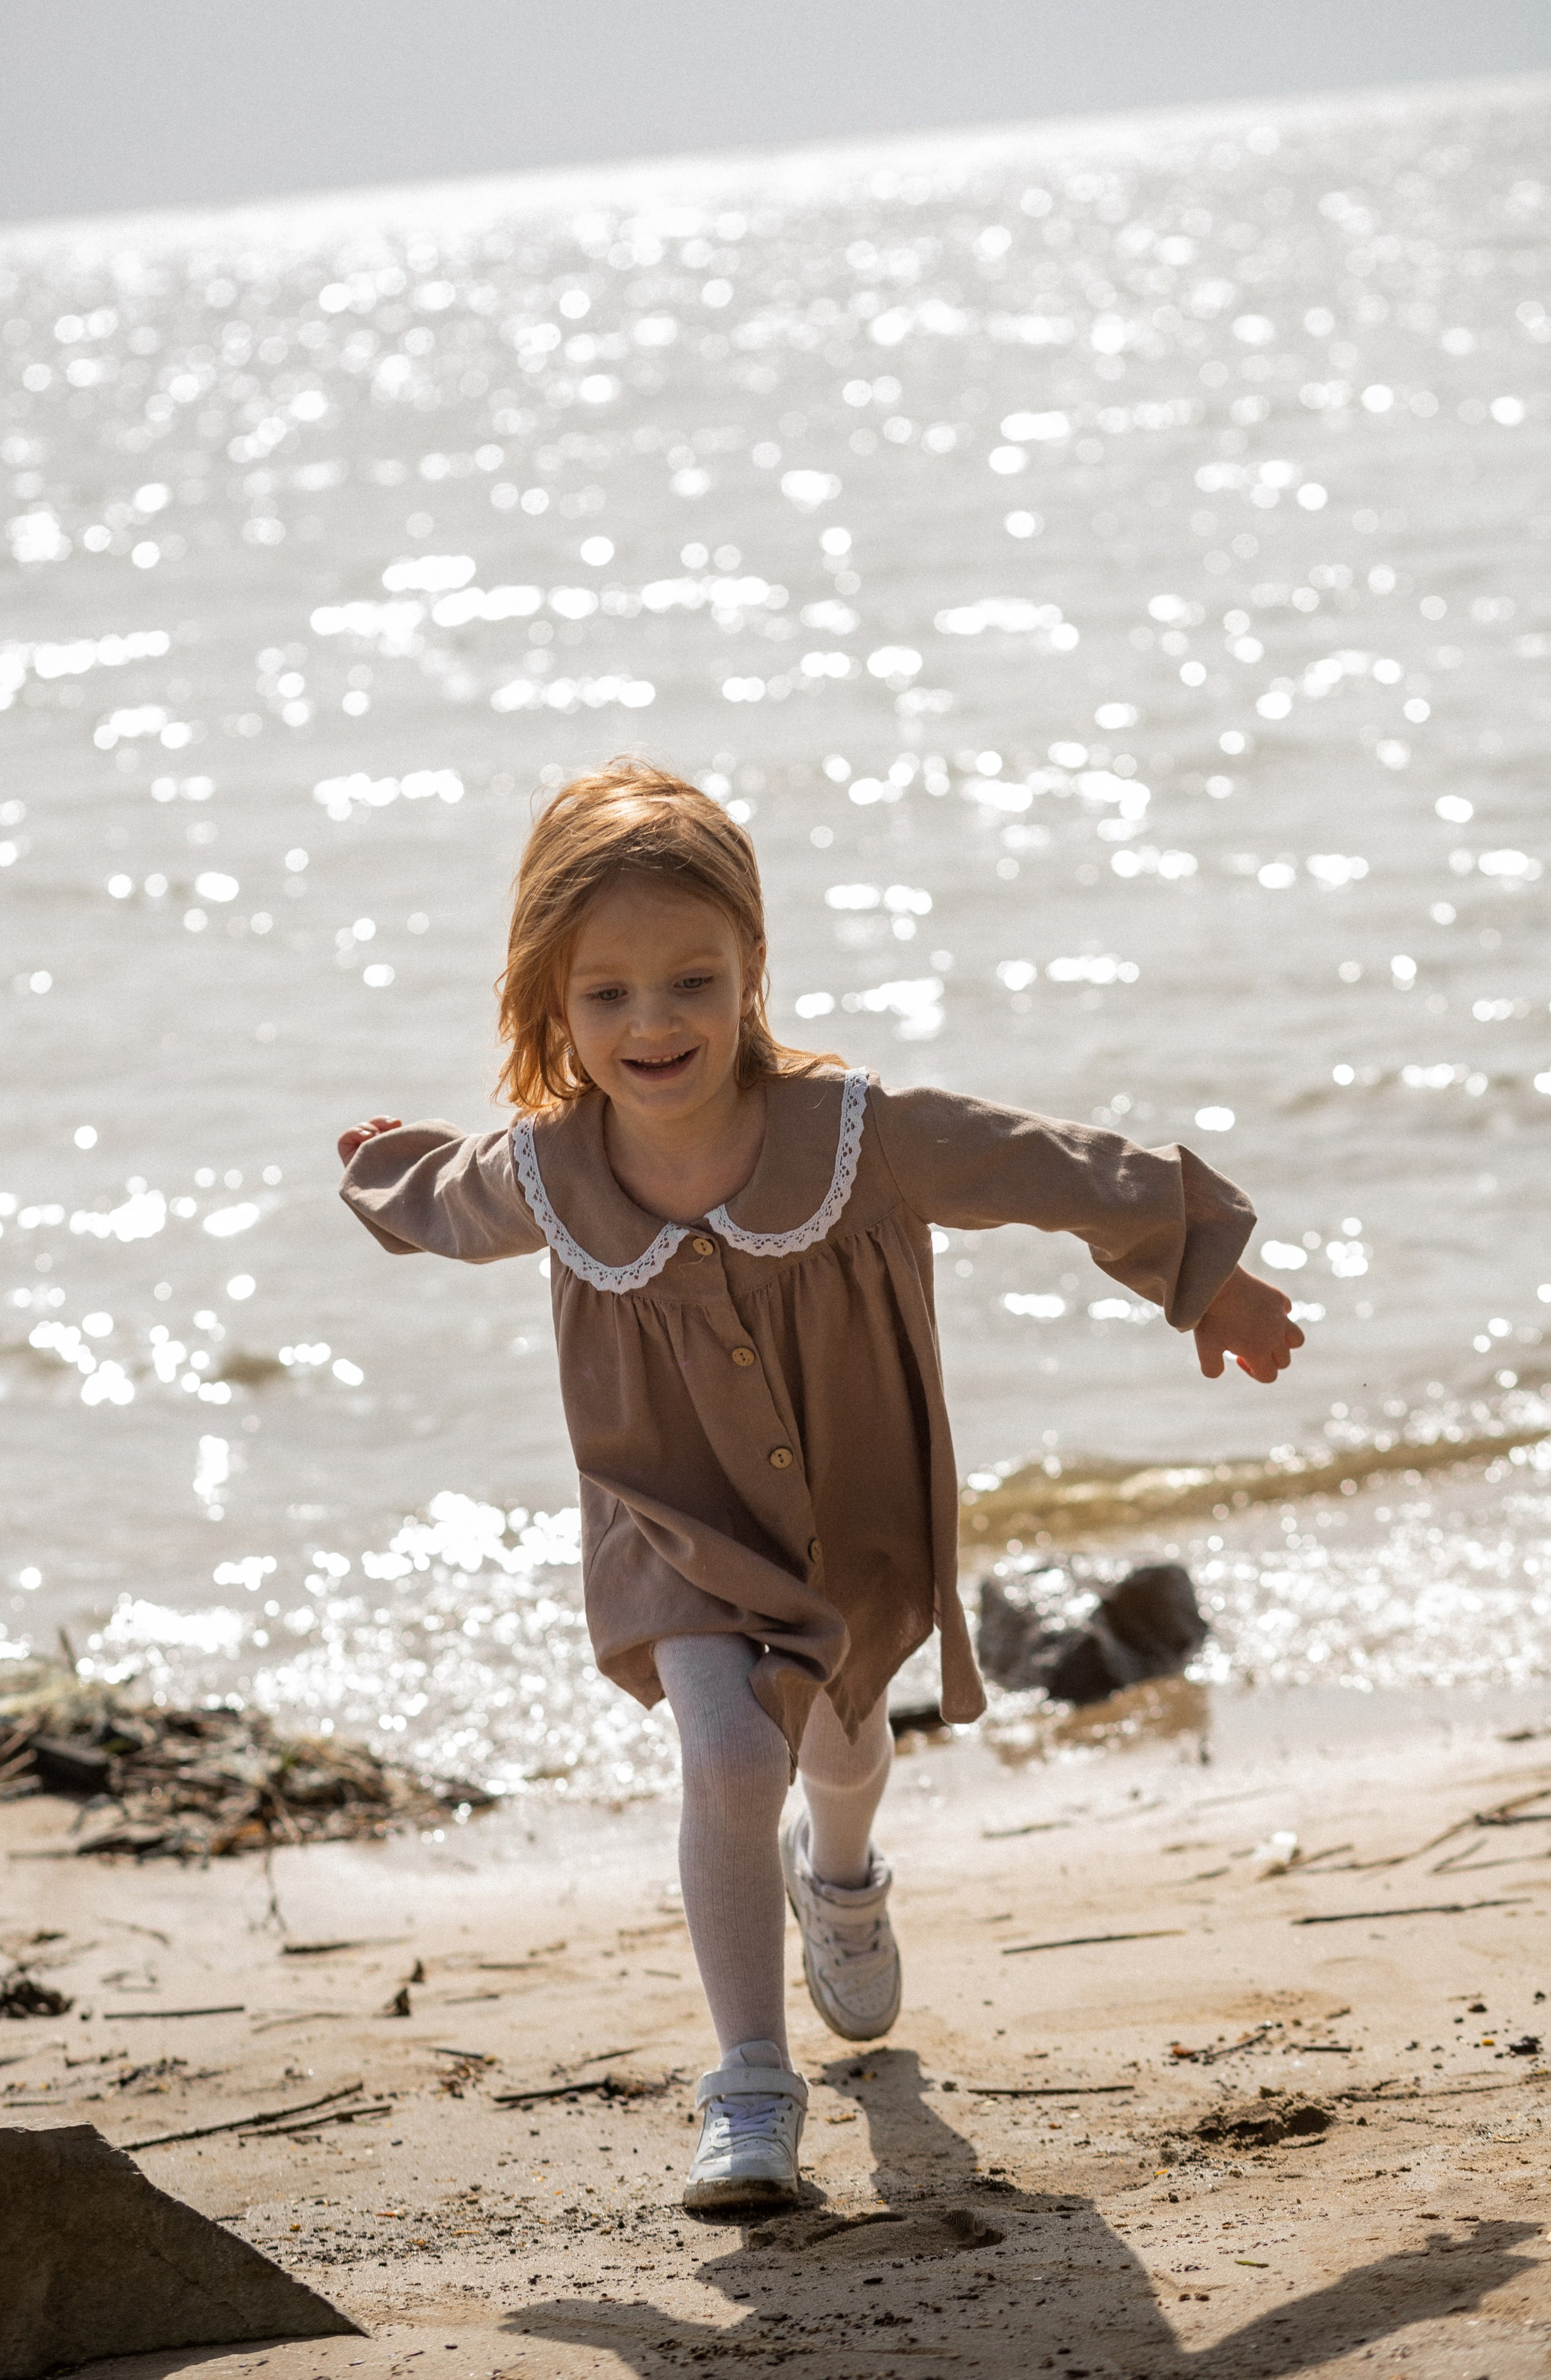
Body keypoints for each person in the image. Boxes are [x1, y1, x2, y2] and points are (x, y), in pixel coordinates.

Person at [337, 759, 1301, 2212]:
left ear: (750, 966)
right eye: (607, 994)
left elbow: (1050, 1169)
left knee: (840, 1748)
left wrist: (1201, 1274)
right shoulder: (548, 1172)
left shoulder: (855, 1135)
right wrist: (382, 1177)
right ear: (548, 998)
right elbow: (447, 1201)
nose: (653, 1022)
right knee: (730, 1755)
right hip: (672, 1522)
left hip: (854, 1515)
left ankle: (837, 1873)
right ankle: (748, 2084)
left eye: (691, 980)